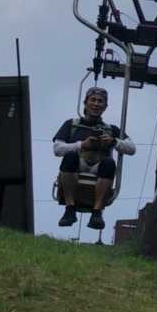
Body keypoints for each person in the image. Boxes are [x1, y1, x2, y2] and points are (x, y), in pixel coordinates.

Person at [53, 86, 135, 230]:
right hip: (78, 165)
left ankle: (97, 212)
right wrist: (81, 145)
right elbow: (57, 149)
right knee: (70, 156)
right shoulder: (72, 124)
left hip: (99, 168)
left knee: (109, 163)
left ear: (105, 107)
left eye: (100, 101)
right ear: (85, 103)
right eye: (93, 100)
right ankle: (70, 208)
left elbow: (131, 148)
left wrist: (114, 142)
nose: (96, 104)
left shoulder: (111, 129)